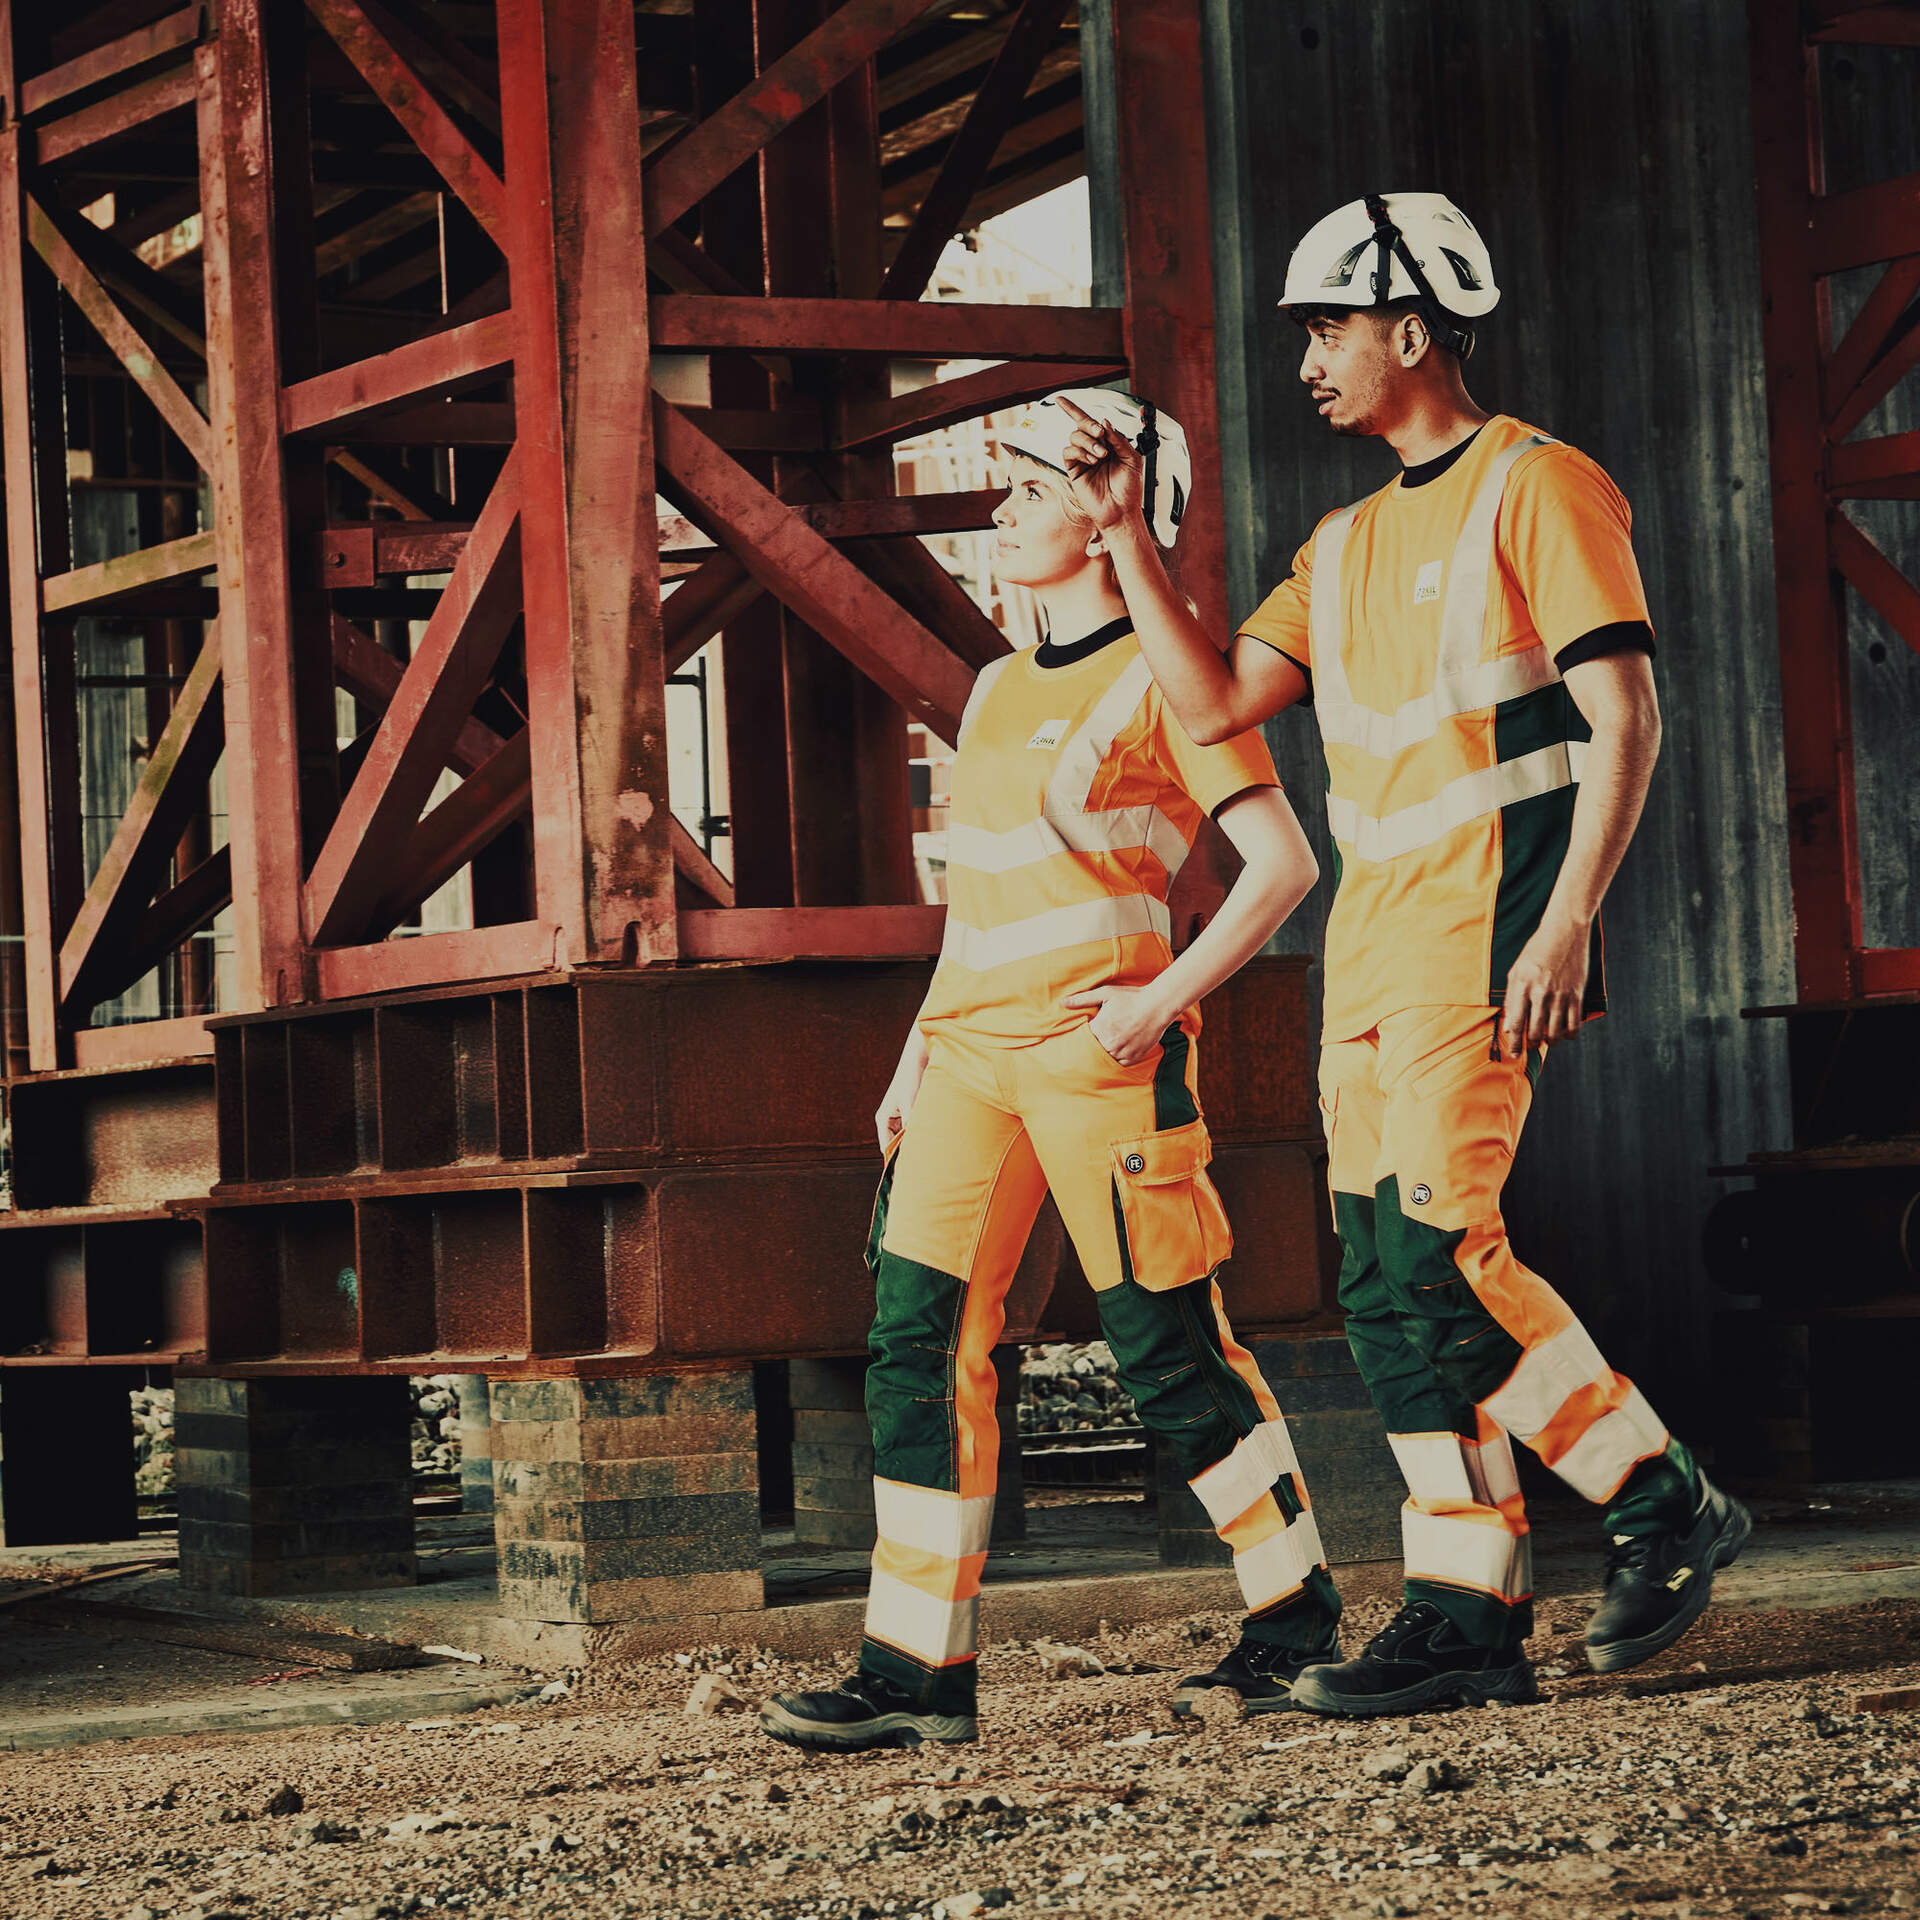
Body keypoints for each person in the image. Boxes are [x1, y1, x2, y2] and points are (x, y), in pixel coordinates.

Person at [1043, 193, 1749, 1719]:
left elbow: (1626, 716)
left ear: (1413, 330)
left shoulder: (1540, 486)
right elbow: (1213, 705)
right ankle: (1464, 1615)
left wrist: (1571, 917)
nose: (1308, 359)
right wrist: (1123, 535)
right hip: (1366, 961)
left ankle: (1660, 1496)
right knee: (1382, 1291)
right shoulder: (1342, 541)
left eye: (1329, 327)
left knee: (1439, 1258)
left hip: (1483, 939)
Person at [759, 390, 1344, 1753]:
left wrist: (1157, 1005)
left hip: (1098, 1064)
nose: (1003, 512)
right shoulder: (995, 686)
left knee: (1168, 1350)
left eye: (1030, 490)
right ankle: (916, 1673)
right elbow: (977, 903)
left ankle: (1294, 1620)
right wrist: (914, 1052)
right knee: (917, 1348)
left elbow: (1284, 867)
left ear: (1105, 512)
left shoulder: (1168, 678)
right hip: (967, 1062)